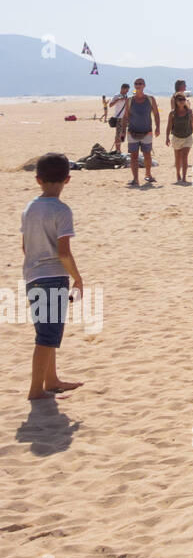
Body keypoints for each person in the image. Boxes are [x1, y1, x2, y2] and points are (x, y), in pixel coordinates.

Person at [22, 153, 84, 400]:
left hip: (32, 275)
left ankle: (51, 380)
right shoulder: (61, 210)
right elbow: (64, 253)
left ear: (38, 180)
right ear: (67, 180)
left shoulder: (29, 209)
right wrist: (78, 278)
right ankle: (36, 390)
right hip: (54, 278)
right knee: (48, 336)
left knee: (46, 331)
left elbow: (25, 247)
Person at [123, 78, 161, 186]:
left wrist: (157, 127)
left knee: (147, 155)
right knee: (134, 156)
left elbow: (156, 114)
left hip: (147, 132)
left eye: (140, 83)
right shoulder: (129, 100)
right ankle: (135, 179)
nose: (138, 85)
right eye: (136, 83)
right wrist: (123, 131)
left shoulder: (150, 99)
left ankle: (148, 175)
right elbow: (125, 116)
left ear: (144, 85)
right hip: (132, 132)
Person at [165, 92, 193, 183]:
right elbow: (169, 126)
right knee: (177, 159)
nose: (181, 101)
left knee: (185, 157)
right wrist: (167, 137)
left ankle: (184, 178)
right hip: (176, 137)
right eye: (179, 100)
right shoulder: (172, 113)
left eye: (183, 99)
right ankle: (178, 174)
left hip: (187, 137)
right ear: (176, 101)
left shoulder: (189, 112)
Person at [107, 82, 130, 150]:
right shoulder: (117, 95)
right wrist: (118, 99)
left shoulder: (126, 97)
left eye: (128, 90)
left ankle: (119, 148)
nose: (127, 91)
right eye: (126, 90)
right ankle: (118, 150)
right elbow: (110, 105)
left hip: (125, 118)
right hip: (119, 118)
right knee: (118, 134)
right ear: (122, 88)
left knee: (123, 134)